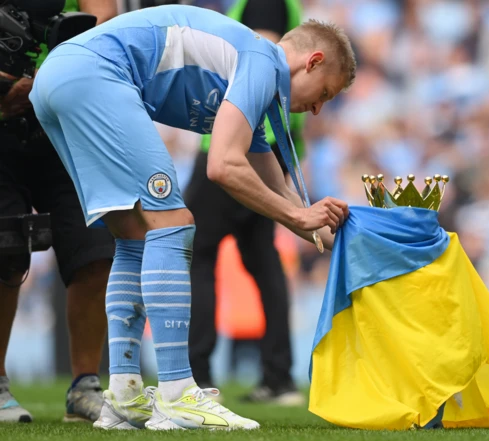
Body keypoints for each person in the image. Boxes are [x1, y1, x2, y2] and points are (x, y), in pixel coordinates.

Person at [29, 4, 355, 431]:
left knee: (133, 235)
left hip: (56, 81)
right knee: (175, 222)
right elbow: (222, 165)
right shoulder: (263, 60)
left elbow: (273, 182)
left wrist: (334, 234)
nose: (316, 110)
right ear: (312, 62)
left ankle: (125, 393)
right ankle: (179, 392)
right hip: (96, 75)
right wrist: (297, 214)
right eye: (325, 94)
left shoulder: (250, 77)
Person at [0, 0, 118, 424]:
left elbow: (106, 16)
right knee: (6, 250)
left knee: (96, 247)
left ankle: (85, 386)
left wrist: (48, 80)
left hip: (62, 123)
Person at [186, 0, 307, 406]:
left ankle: (197, 376)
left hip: (242, 145)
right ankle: (278, 376)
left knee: (197, 256)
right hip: (267, 146)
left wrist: (250, 149)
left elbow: (264, 67)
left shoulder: (263, 2)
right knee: (262, 261)